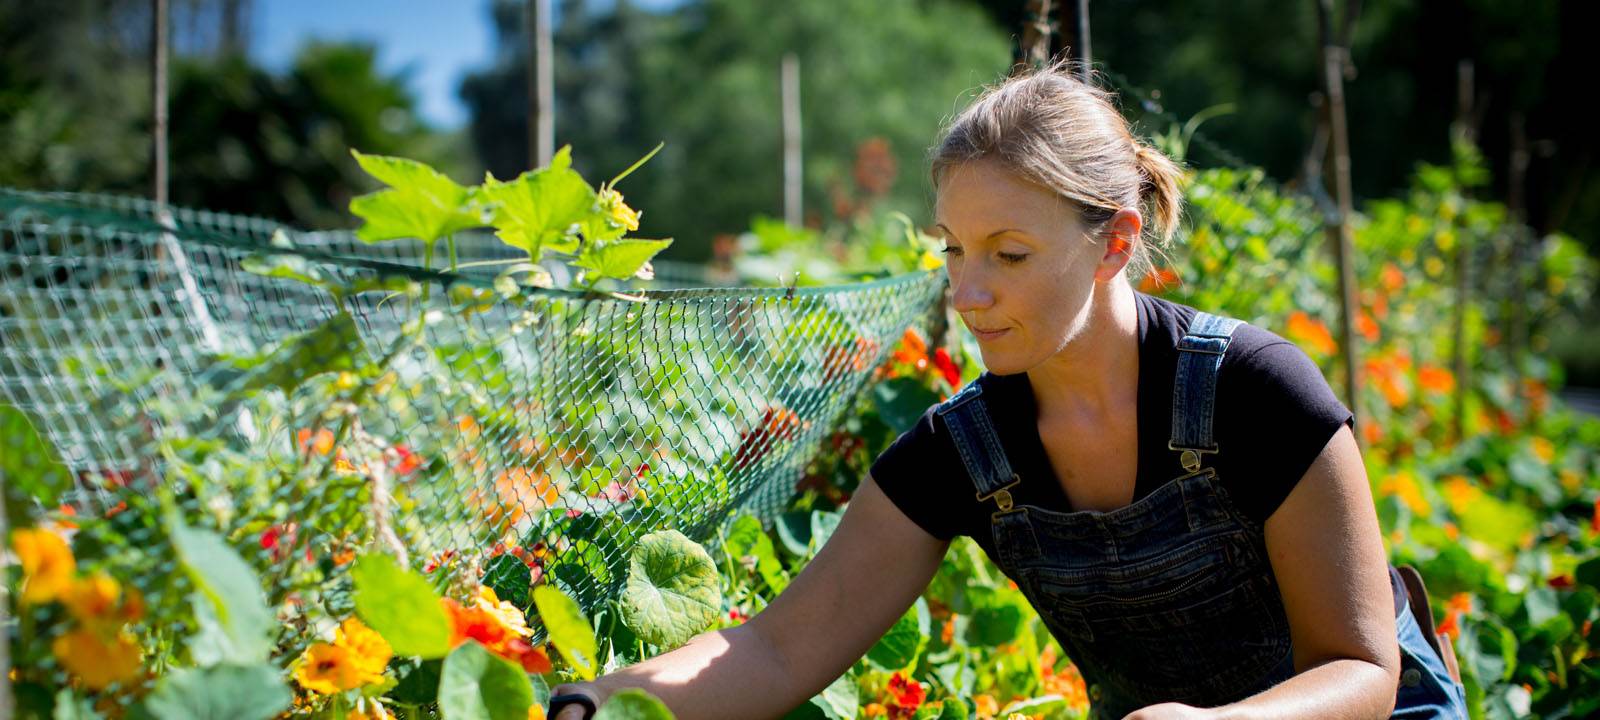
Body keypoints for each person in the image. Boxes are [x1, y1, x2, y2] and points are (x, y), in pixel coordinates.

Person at [549, 61, 1469, 720]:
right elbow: (778, 648)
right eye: (954, 248)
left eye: (1009, 255)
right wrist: (594, 701)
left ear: (1114, 240)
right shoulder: (965, 450)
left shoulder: (1257, 393)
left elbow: (1361, 667)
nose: (967, 291)